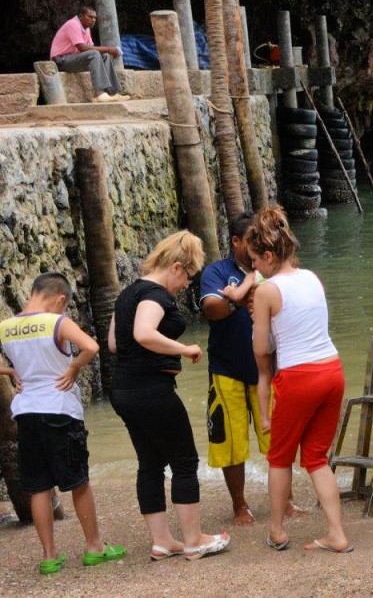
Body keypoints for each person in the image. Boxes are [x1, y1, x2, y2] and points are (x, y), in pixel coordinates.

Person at [108, 230, 230, 561]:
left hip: (124, 390)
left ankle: (162, 541)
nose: (187, 285)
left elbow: (115, 344)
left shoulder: (127, 294)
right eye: (188, 277)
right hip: (151, 390)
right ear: (176, 267)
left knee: (150, 463)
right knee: (184, 460)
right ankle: (193, 540)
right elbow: (143, 333)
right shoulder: (155, 295)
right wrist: (185, 348)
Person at [0, 273, 126, 575]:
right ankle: (94, 546)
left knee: (39, 486)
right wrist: (72, 367)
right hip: (59, 409)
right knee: (78, 481)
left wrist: (11, 372)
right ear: (59, 298)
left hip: (26, 412)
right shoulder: (55, 322)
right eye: (64, 305)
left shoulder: (6, 326)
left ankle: (49, 555)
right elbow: (91, 347)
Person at [246, 205, 352, 553]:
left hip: (299, 376)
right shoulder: (312, 278)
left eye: (256, 263)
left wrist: (258, 325)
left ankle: (276, 531)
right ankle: (336, 532)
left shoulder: (266, 291)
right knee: (317, 457)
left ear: (268, 254)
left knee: (279, 457)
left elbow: (262, 348)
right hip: (332, 370)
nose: (255, 270)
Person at [199, 212, 302, 525]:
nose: (256, 244)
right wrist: (236, 302)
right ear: (236, 242)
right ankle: (240, 506)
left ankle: (286, 501)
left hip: (270, 370)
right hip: (227, 368)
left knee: (278, 439)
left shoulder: (272, 268)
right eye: (250, 240)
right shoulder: (218, 272)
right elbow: (210, 308)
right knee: (231, 444)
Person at [49, 5, 129, 103]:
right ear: (81, 16)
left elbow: (91, 47)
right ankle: (98, 94)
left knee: (104, 56)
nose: (93, 20)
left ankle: (112, 93)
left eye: (95, 18)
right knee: (95, 54)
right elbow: (83, 48)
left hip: (72, 59)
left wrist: (107, 52)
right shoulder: (73, 24)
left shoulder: (86, 29)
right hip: (60, 61)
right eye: (90, 17)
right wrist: (108, 48)